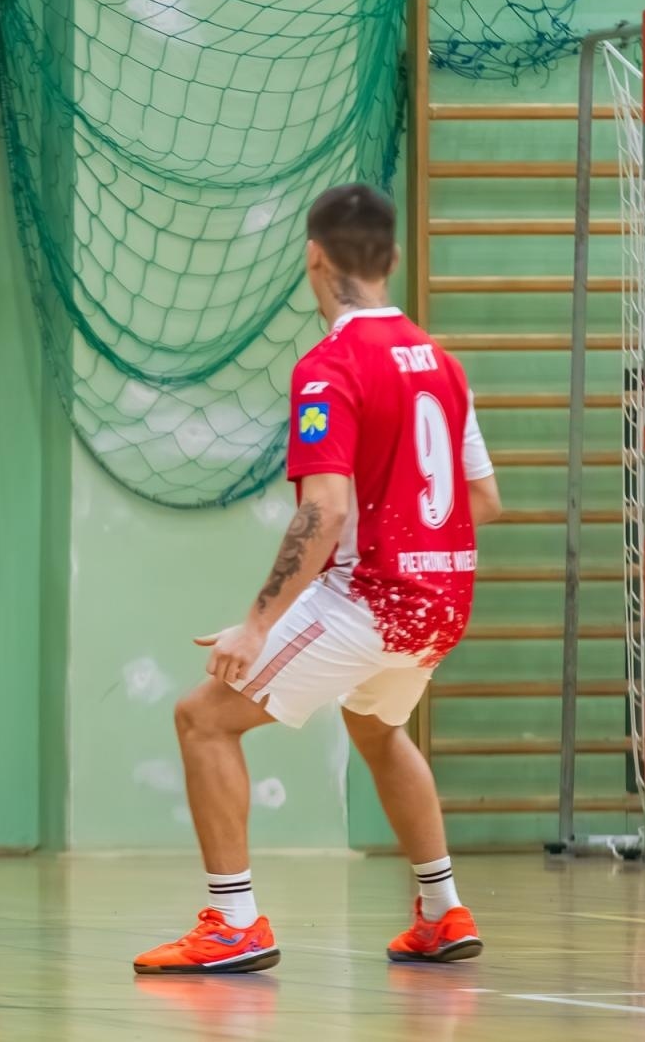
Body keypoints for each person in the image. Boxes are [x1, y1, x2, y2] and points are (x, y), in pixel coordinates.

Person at [133, 183, 501, 974]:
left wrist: (257, 622)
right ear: (391, 259)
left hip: (374, 598)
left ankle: (234, 923)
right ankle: (442, 910)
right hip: (443, 603)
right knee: (378, 727)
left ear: (314, 257)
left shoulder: (330, 366)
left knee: (203, 717)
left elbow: (325, 511)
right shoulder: (443, 363)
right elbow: (483, 499)